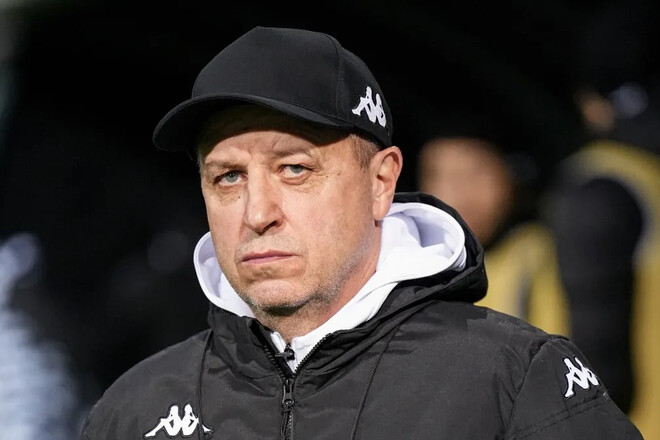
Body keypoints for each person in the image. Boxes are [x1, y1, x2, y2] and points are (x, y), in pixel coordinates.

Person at [79, 26, 641, 439]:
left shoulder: (515, 381)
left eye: (294, 169)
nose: (257, 213)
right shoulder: (134, 410)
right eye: (228, 177)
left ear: (381, 182)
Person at [417, 135, 568, 336]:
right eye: (447, 176)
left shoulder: (537, 252)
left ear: (508, 178)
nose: (463, 191)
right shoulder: (407, 265)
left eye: (477, 173)